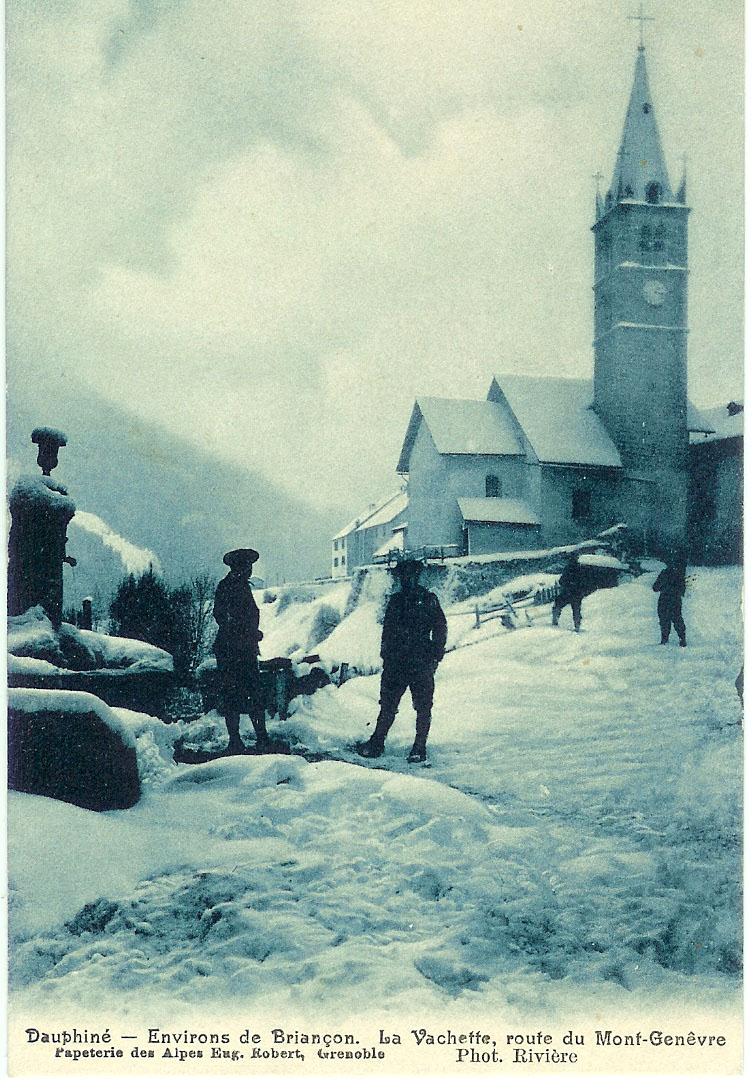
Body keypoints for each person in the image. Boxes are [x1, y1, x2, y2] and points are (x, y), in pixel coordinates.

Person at [356, 558, 447, 764]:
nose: (407, 580)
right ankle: (377, 743)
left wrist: (435, 655)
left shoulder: (429, 599)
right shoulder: (396, 601)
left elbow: (440, 628)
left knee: (423, 707)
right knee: (388, 705)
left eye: (411, 575)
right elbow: (387, 632)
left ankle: (419, 747)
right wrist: (386, 656)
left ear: (417, 576)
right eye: (403, 576)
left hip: (420, 662)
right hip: (396, 664)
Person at [213, 548, 269, 753]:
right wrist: (249, 634)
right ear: (240, 567)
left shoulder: (239, 586)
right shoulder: (228, 587)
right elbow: (223, 618)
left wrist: (251, 633)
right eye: (248, 566)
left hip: (241, 649)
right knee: (237, 695)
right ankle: (238, 740)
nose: (250, 570)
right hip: (233, 651)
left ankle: (258, 738)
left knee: (248, 694)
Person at [653, 558, 687, 647]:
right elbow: (683, 590)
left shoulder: (663, 574)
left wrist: (664, 587)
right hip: (675, 600)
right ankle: (682, 638)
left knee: (664, 620)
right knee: (677, 618)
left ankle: (664, 639)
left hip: (664, 599)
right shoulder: (679, 575)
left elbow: (655, 588)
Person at [552, 553, 585, 632]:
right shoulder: (581, 569)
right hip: (577, 593)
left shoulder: (568, 568)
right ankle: (577, 625)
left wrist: (567, 584)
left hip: (568, 592)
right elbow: (584, 582)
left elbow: (561, 581)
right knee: (576, 610)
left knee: (558, 604)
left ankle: (555, 619)